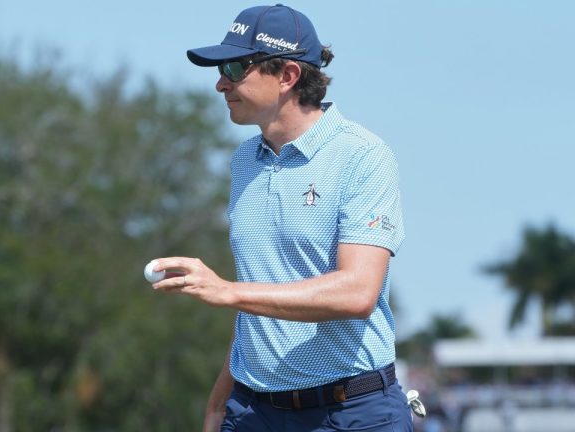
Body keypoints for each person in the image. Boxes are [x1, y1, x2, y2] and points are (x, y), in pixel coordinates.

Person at [150, 4, 412, 431]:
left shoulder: (364, 156)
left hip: (353, 413)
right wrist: (218, 405)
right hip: (253, 411)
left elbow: (357, 294)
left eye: (235, 67)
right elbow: (263, 298)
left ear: (288, 76)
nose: (220, 83)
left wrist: (227, 291)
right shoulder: (244, 161)